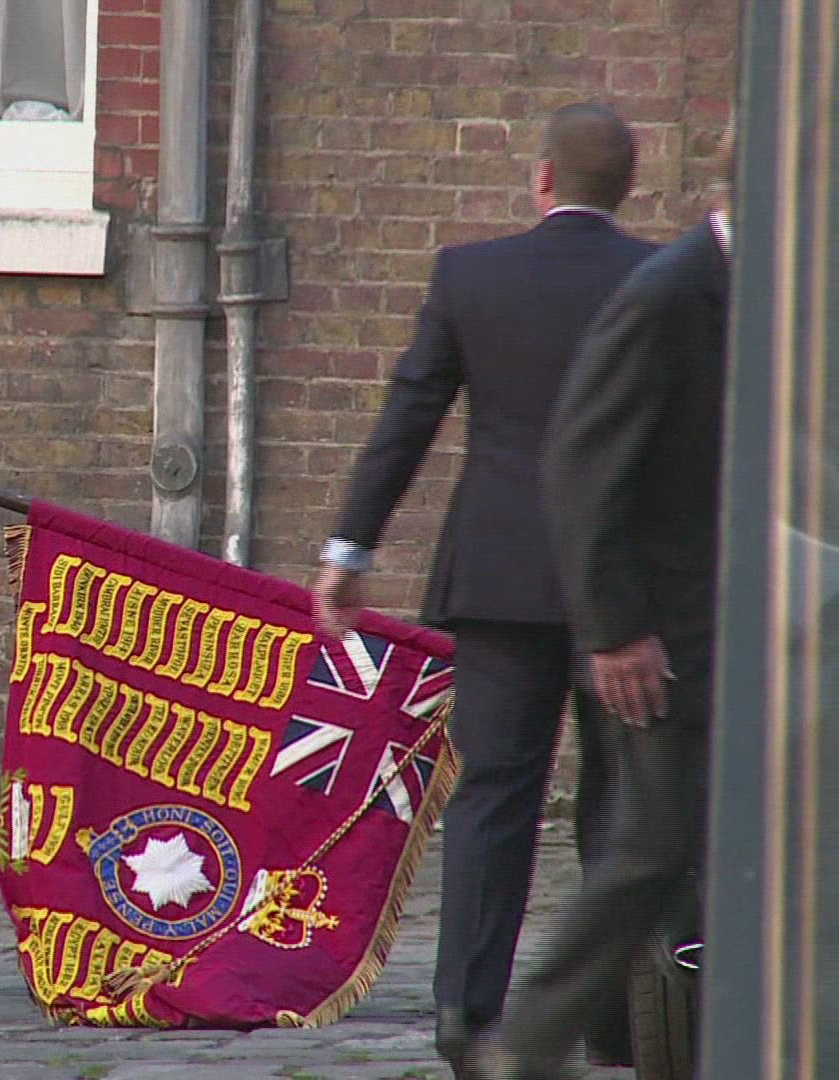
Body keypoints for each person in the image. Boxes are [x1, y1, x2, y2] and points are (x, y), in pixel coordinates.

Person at [311, 103, 654, 1075]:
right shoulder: (658, 281)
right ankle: (614, 1017)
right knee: (621, 802)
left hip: (499, 580)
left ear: (542, 179)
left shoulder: (471, 277)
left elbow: (409, 414)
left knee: (493, 795)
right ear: (626, 188)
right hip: (620, 590)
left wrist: (351, 547)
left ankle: (468, 1012)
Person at [472, 128, 737, 1080]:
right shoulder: (667, 293)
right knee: (652, 846)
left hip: (741, 628)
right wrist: (616, 630)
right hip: (666, 641)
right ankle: (529, 1044)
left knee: (677, 844)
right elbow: (581, 466)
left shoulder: (768, 293)